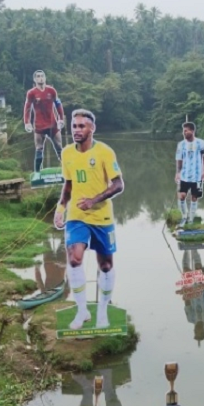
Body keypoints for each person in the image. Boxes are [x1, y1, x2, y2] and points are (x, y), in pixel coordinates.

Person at [54, 109, 124, 330]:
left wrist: (94, 200)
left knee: (105, 265)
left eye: (81, 126)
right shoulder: (66, 153)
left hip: (102, 216)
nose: (76, 130)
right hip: (77, 216)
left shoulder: (105, 152)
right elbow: (68, 184)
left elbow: (118, 184)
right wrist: (61, 207)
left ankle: (102, 310)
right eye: (74, 126)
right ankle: (82, 310)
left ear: (92, 128)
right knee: (74, 259)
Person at [23, 70, 66, 172]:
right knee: (39, 149)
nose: (40, 78)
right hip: (39, 126)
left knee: (59, 147)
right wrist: (27, 122)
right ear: (35, 79)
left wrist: (61, 119)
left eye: (42, 76)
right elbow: (27, 107)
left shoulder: (51, 91)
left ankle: (66, 170)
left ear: (45, 78)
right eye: (38, 76)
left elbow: (58, 104)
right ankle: (37, 173)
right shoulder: (31, 93)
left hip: (52, 124)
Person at [174, 121, 204, 227]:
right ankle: (184, 216)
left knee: (194, 197)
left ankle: (191, 219)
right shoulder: (181, 145)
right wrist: (178, 173)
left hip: (197, 177)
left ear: (192, 131)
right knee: (181, 196)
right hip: (184, 176)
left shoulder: (201, 143)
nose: (184, 133)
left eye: (186, 130)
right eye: (183, 131)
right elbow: (179, 160)